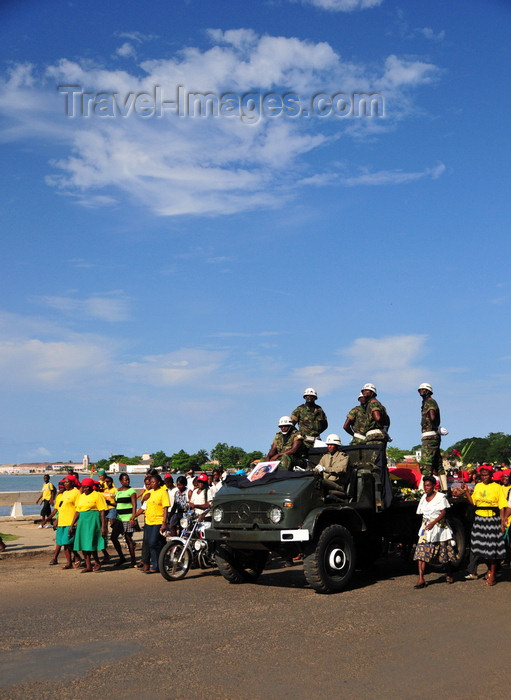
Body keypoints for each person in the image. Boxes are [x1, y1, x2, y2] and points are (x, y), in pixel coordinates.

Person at [462, 465, 507, 586]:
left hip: (492, 519)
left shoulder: (497, 487)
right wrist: (466, 491)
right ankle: (489, 569)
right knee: (480, 548)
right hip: (479, 520)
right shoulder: (478, 486)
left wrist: (502, 522)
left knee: (492, 549)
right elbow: (473, 502)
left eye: (486, 475)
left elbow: (502, 506)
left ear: (491, 475)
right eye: (482, 475)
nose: (484, 477)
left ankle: (492, 574)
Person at [413, 476, 456, 588]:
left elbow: (443, 512)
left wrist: (433, 522)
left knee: (444, 554)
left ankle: (449, 573)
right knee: (420, 553)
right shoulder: (423, 497)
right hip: (426, 529)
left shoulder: (440, 497)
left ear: (433, 486)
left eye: (428, 485)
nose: (425, 488)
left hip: (439, 528)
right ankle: (421, 578)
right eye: (424, 485)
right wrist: (428, 524)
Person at [69, 478, 108, 573]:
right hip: (82, 521)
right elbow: (77, 512)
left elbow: (102, 511)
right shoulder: (81, 496)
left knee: (91, 543)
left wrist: (103, 526)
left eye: (87, 487)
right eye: (84, 487)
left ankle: (97, 562)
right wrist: (72, 525)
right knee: (83, 543)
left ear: (91, 487)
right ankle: (88, 565)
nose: (85, 489)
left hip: (93, 520)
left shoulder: (97, 495)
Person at [48, 477, 82, 569]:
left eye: (67, 482)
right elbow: (60, 507)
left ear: (72, 483)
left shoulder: (76, 493)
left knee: (67, 542)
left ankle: (77, 556)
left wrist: (73, 523)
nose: (65, 484)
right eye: (65, 482)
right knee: (62, 542)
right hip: (61, 522)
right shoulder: (64, 493)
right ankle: (68, 563)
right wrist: (57, 520)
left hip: (70, 522)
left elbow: (78, 509)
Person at [418, 383, 447, 490]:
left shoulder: (429, 402)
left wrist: (435, 427)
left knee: (426, 464)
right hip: (432, 435)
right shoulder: (427, 402)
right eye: (420, 389)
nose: (422, 391)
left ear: (429, 391)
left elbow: (432, 416)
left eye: (424, 389)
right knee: (437, 464)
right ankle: (445, 490)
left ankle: (422, 490)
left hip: (430, 436)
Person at [142, 474, 170, 574]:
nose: (152, 484)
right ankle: (158, 564)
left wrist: (164, 523)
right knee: (151, 543)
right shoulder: (150, 492)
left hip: (158, 521)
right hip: (149, 521)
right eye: (151, 482)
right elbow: (144, 505)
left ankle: (158, 564)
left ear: (158, 482)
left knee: (153, 542)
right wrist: (144, 497)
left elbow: (166, 508)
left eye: (154, 482)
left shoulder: (163, 492)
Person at [111, 472, 138, 567]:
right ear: (120, 481)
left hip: (128, 517)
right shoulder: (118, 491)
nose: (127, 481)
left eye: (128, 479)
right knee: (113, 537)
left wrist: (133, 517)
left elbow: (134, 504)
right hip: (119, 518)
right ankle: (121, 557)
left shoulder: (131, 491)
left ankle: (133, 560)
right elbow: (118, 504)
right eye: (125, 479)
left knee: (128, 539)